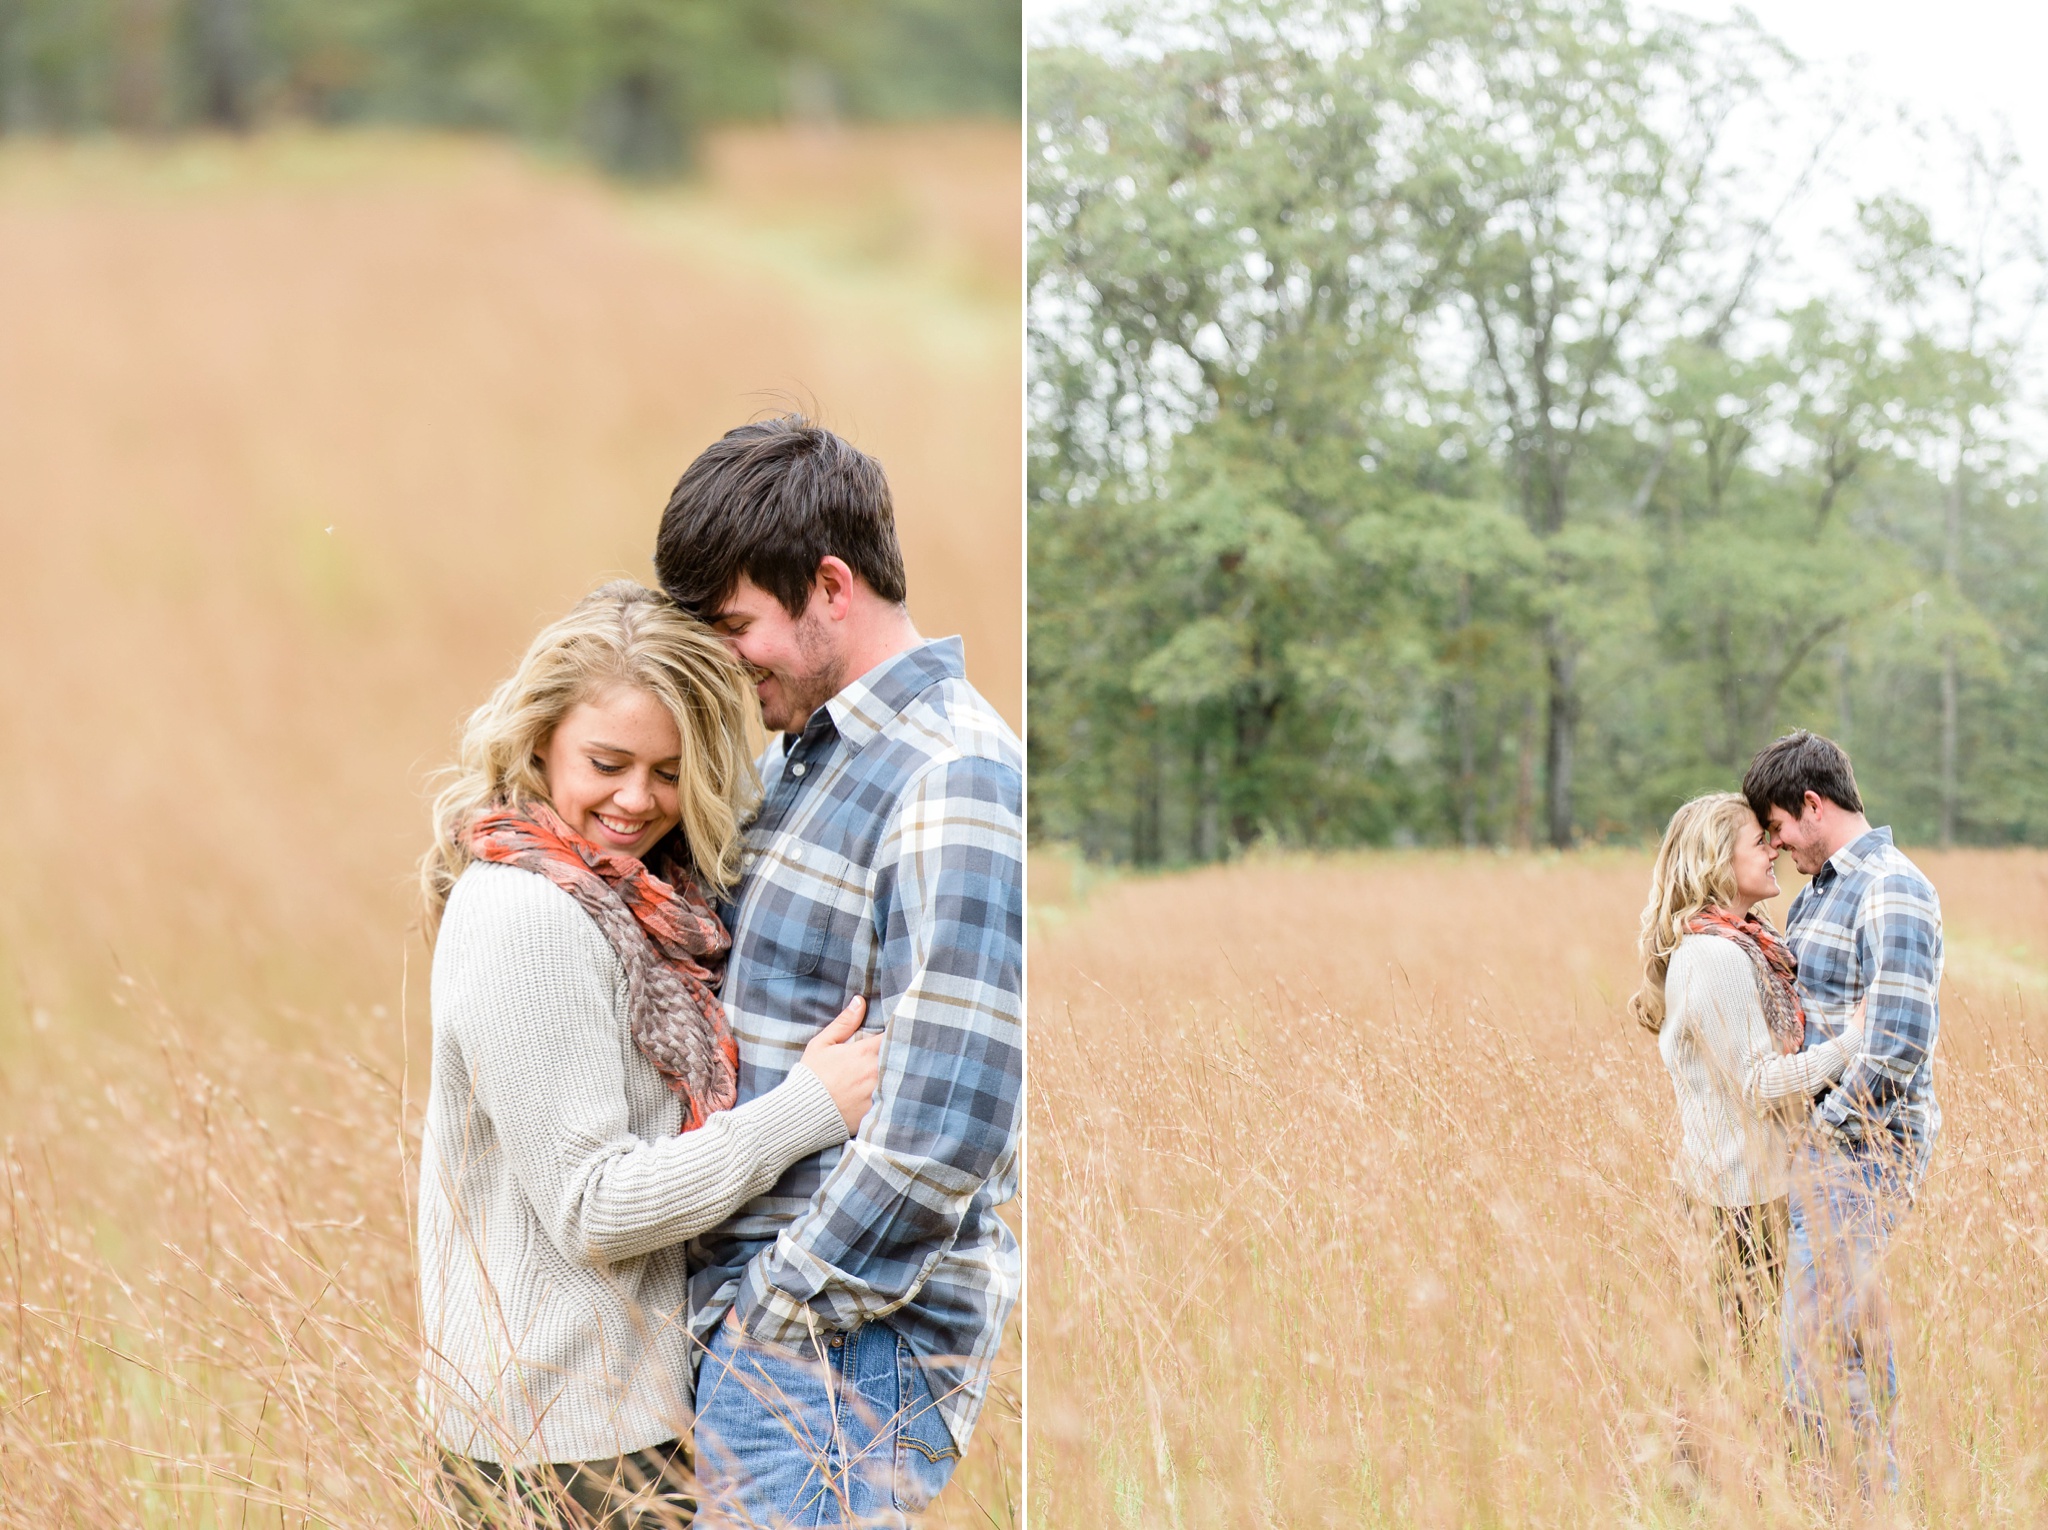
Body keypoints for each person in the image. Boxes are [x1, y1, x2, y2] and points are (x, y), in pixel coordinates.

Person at [415, 581, 883, 1528]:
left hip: (601, 1425)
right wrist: (809, 1108)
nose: (636, 799)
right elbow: (597, 1206)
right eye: (607, 762)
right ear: (540, 741)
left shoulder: (630, 903)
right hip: (562, 1447)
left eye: (668, 772)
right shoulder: (529, 915)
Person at [653, 416, 1024, 1527]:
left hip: (835, 1359)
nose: (724, 661)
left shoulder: (951, 774)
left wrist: (771, 1313)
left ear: (829, 584)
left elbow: (945, 1128)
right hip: (775, 1358)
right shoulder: (799, 762)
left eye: (737, 625)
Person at [1742, 729, 1943, 1496]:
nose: (1779, 843)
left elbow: (1895, 1048)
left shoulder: (1891, 886)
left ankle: (1855, 1502)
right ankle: (1869, 1502)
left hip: (1861, 1152)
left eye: (1780, 825)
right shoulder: (1822, 889)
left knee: (1816, 1352)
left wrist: (1818, 1141)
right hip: (1826, 1154)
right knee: (1843, 1344)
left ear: (1813, 805)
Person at [1631, 792, 1863, 1345]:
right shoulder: (1715, 957)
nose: (1775, 849)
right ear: (1717, 861)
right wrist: (1854, 1042)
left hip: (1745, 1197)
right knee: (1731, 1381)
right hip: (1736, 1205)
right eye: (1760, 841)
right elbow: (1762, 1085)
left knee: (1740, 1374)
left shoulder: (1746, 943)